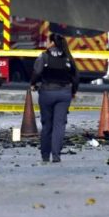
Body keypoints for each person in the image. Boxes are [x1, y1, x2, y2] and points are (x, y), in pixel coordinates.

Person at [30, 33, 79, 163]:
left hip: (47, 93)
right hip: (64, 94)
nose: (46, 43)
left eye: (48, 41)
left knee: (47, 125)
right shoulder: (67, 57)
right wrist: (73, 91)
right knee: (59, 125)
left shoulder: (44, 57)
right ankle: (56, 155)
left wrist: (33, 84)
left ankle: (45, 155)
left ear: (52, 43)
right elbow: (75, 76)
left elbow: (36, 72)